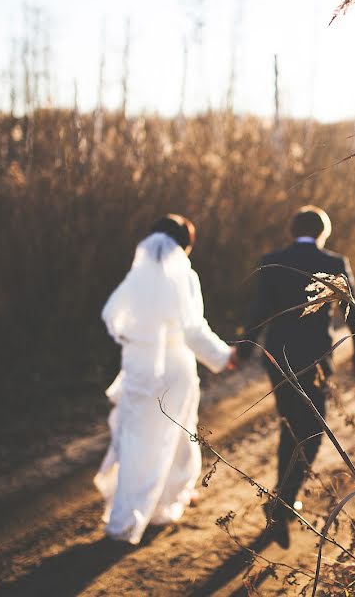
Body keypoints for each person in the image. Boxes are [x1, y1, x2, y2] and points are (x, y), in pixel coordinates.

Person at [96, 214, 234, 544]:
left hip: (138, 368)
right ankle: (163, 505)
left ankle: (127, 514)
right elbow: (192, 329)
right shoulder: (184, 275)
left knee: (137, 442)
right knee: (176, 436)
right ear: (184, 245)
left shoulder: (137, 276)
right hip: (175, 370)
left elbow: (110, 315)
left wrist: (136, 341)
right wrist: (223, 356)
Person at [237, 205, 355, 548]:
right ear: (323, 232)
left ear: (292, 231)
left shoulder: (272, 260)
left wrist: (243, 351)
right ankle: (282, 501)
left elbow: (258, 310)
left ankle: (282, 499)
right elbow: (353, 312)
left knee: (290, 424)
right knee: (312, 429)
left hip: (277, 356)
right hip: (316, 358)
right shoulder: (334, 263)